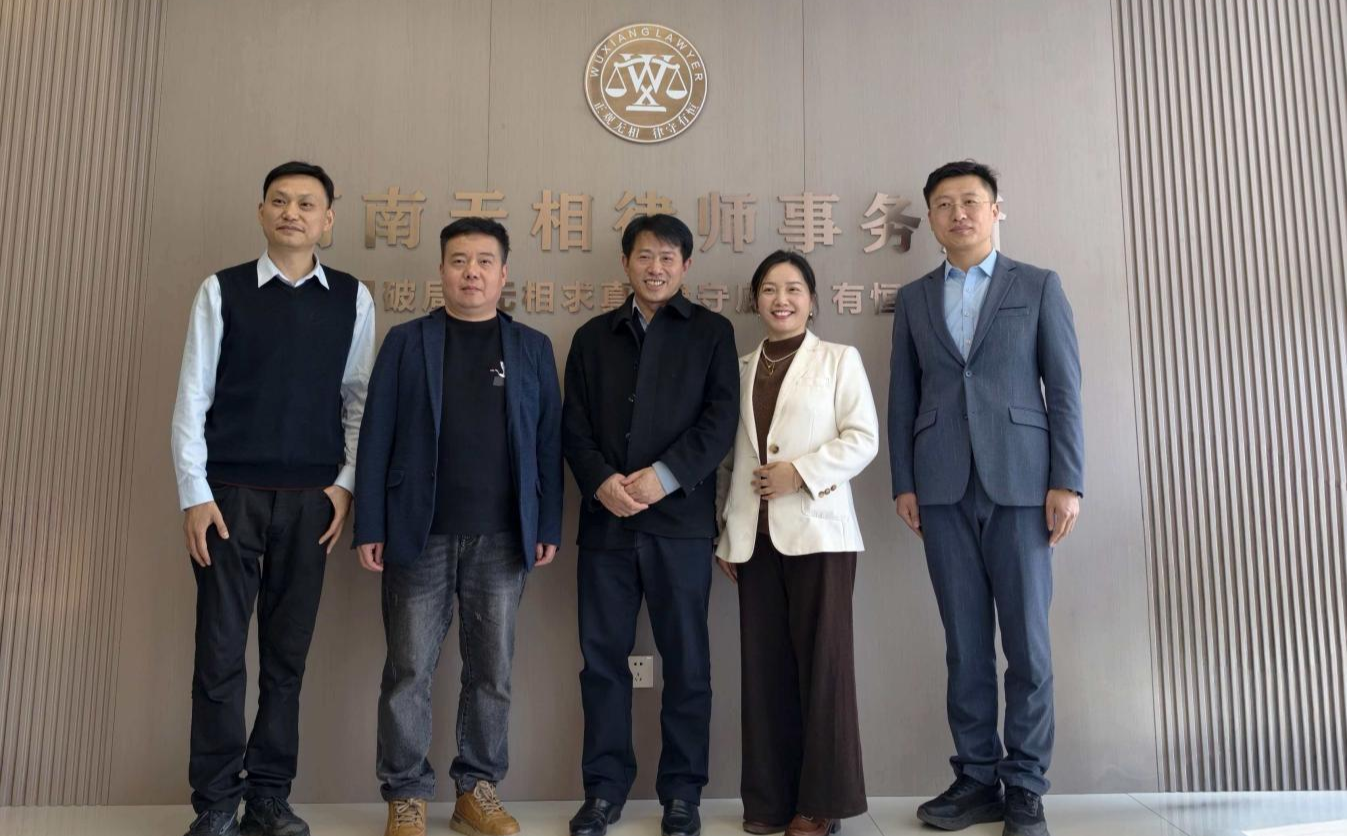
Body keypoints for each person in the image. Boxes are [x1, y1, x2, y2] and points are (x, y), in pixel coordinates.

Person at [170, 160, 374, 836]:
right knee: (220, 656)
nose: (292, 212)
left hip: (311, 504)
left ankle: (268, 798)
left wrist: (343, 486)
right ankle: (215, 804)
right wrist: (194, 494)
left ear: (327, 219)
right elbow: (193, 396)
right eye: (280, 201)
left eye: (307, 203)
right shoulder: (221, 290)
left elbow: (358, 402)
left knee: (286, 661)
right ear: (261, 212)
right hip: (228, 498)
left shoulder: (352, 298)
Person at [888, 160, 1084, 836]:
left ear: (996, 210)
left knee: (1027, 644)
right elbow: (903, 396)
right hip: (941, 486)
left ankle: (1025, 784)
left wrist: (1067, 480)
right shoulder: (914, 298)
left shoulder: (1037, 285)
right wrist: (904, 481)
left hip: (1024, 486)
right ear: (930, 219)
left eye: (970, 201)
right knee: (964, 644)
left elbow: (1064, 389)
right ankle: (976, 778)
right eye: (943, 204)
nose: (958, 214)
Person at [353, 218, 563, 836]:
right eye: (459, 260)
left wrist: (546, 521)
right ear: (441, 270)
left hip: (503, 536)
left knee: (491, 671)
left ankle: (478, 789)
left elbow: (548, 444)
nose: (472, 272)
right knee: (408, 669)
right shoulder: (407, 342)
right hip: (418, 533)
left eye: (484, 261)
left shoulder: (531, 347)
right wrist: (371, 522)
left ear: (504, 273)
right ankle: (406, 794)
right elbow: (376, 436)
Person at [561, 214, 739, 836]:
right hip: (606, 526)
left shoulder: (712, 333)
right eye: (644, 256)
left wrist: (664, 477)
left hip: (680, 525)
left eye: (667, 257)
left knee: (687, 663)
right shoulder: (592, 337)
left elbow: (720, 422)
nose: (655, 268)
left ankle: (682, 794)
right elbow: (573, 426)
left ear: (685, 266)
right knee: (601, 662)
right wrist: (602, 482)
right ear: (625, 263)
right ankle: (603, 792)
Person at [715, 251, 878, 836]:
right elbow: (727, 460)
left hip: (820, 536)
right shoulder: (738, 368)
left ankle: (820, 805)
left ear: (812, 299)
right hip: (753, 542)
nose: (780, 300)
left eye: (792, 289)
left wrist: (801, 473)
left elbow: (863, 439)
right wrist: (727, 532)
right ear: (755, 300)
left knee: (823, 672)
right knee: (764, 676)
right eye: (768, 289)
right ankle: (769, 801)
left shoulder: (838, 359)